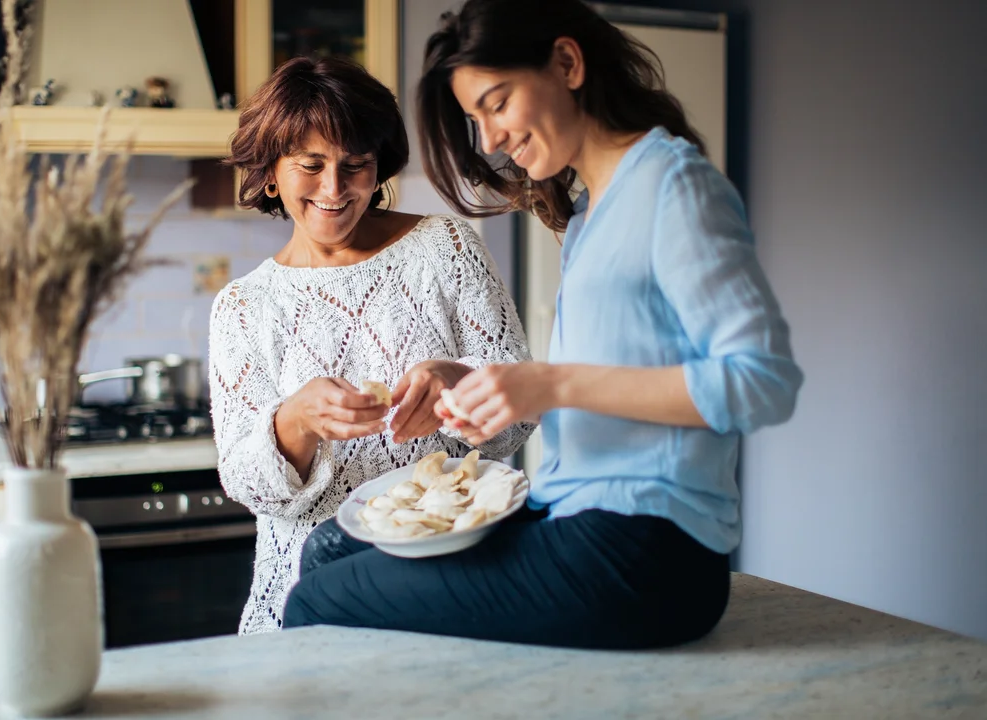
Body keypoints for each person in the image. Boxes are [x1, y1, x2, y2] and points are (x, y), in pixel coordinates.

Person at [284, 0, 804, 650]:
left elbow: (761, 383)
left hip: (651, 551)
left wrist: (550, 384)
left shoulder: (675, 188)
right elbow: (604, 376)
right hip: (575, 517)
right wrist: (474, 383)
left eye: (497, 104)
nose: (491, 139)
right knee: (330, 547)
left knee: (315, 600)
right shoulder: (590, 217)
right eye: (477, 119)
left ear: (567, 63)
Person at [209, 55, 534, 635]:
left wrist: (459, 384)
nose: (334, 189)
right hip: (305, 598)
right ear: (270, 172)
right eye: (310, 165)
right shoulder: (243, 307)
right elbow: (247, 484)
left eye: (355, 165)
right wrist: (296, 420)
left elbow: (516, 427)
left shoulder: (446, 249)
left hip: (447, 583)